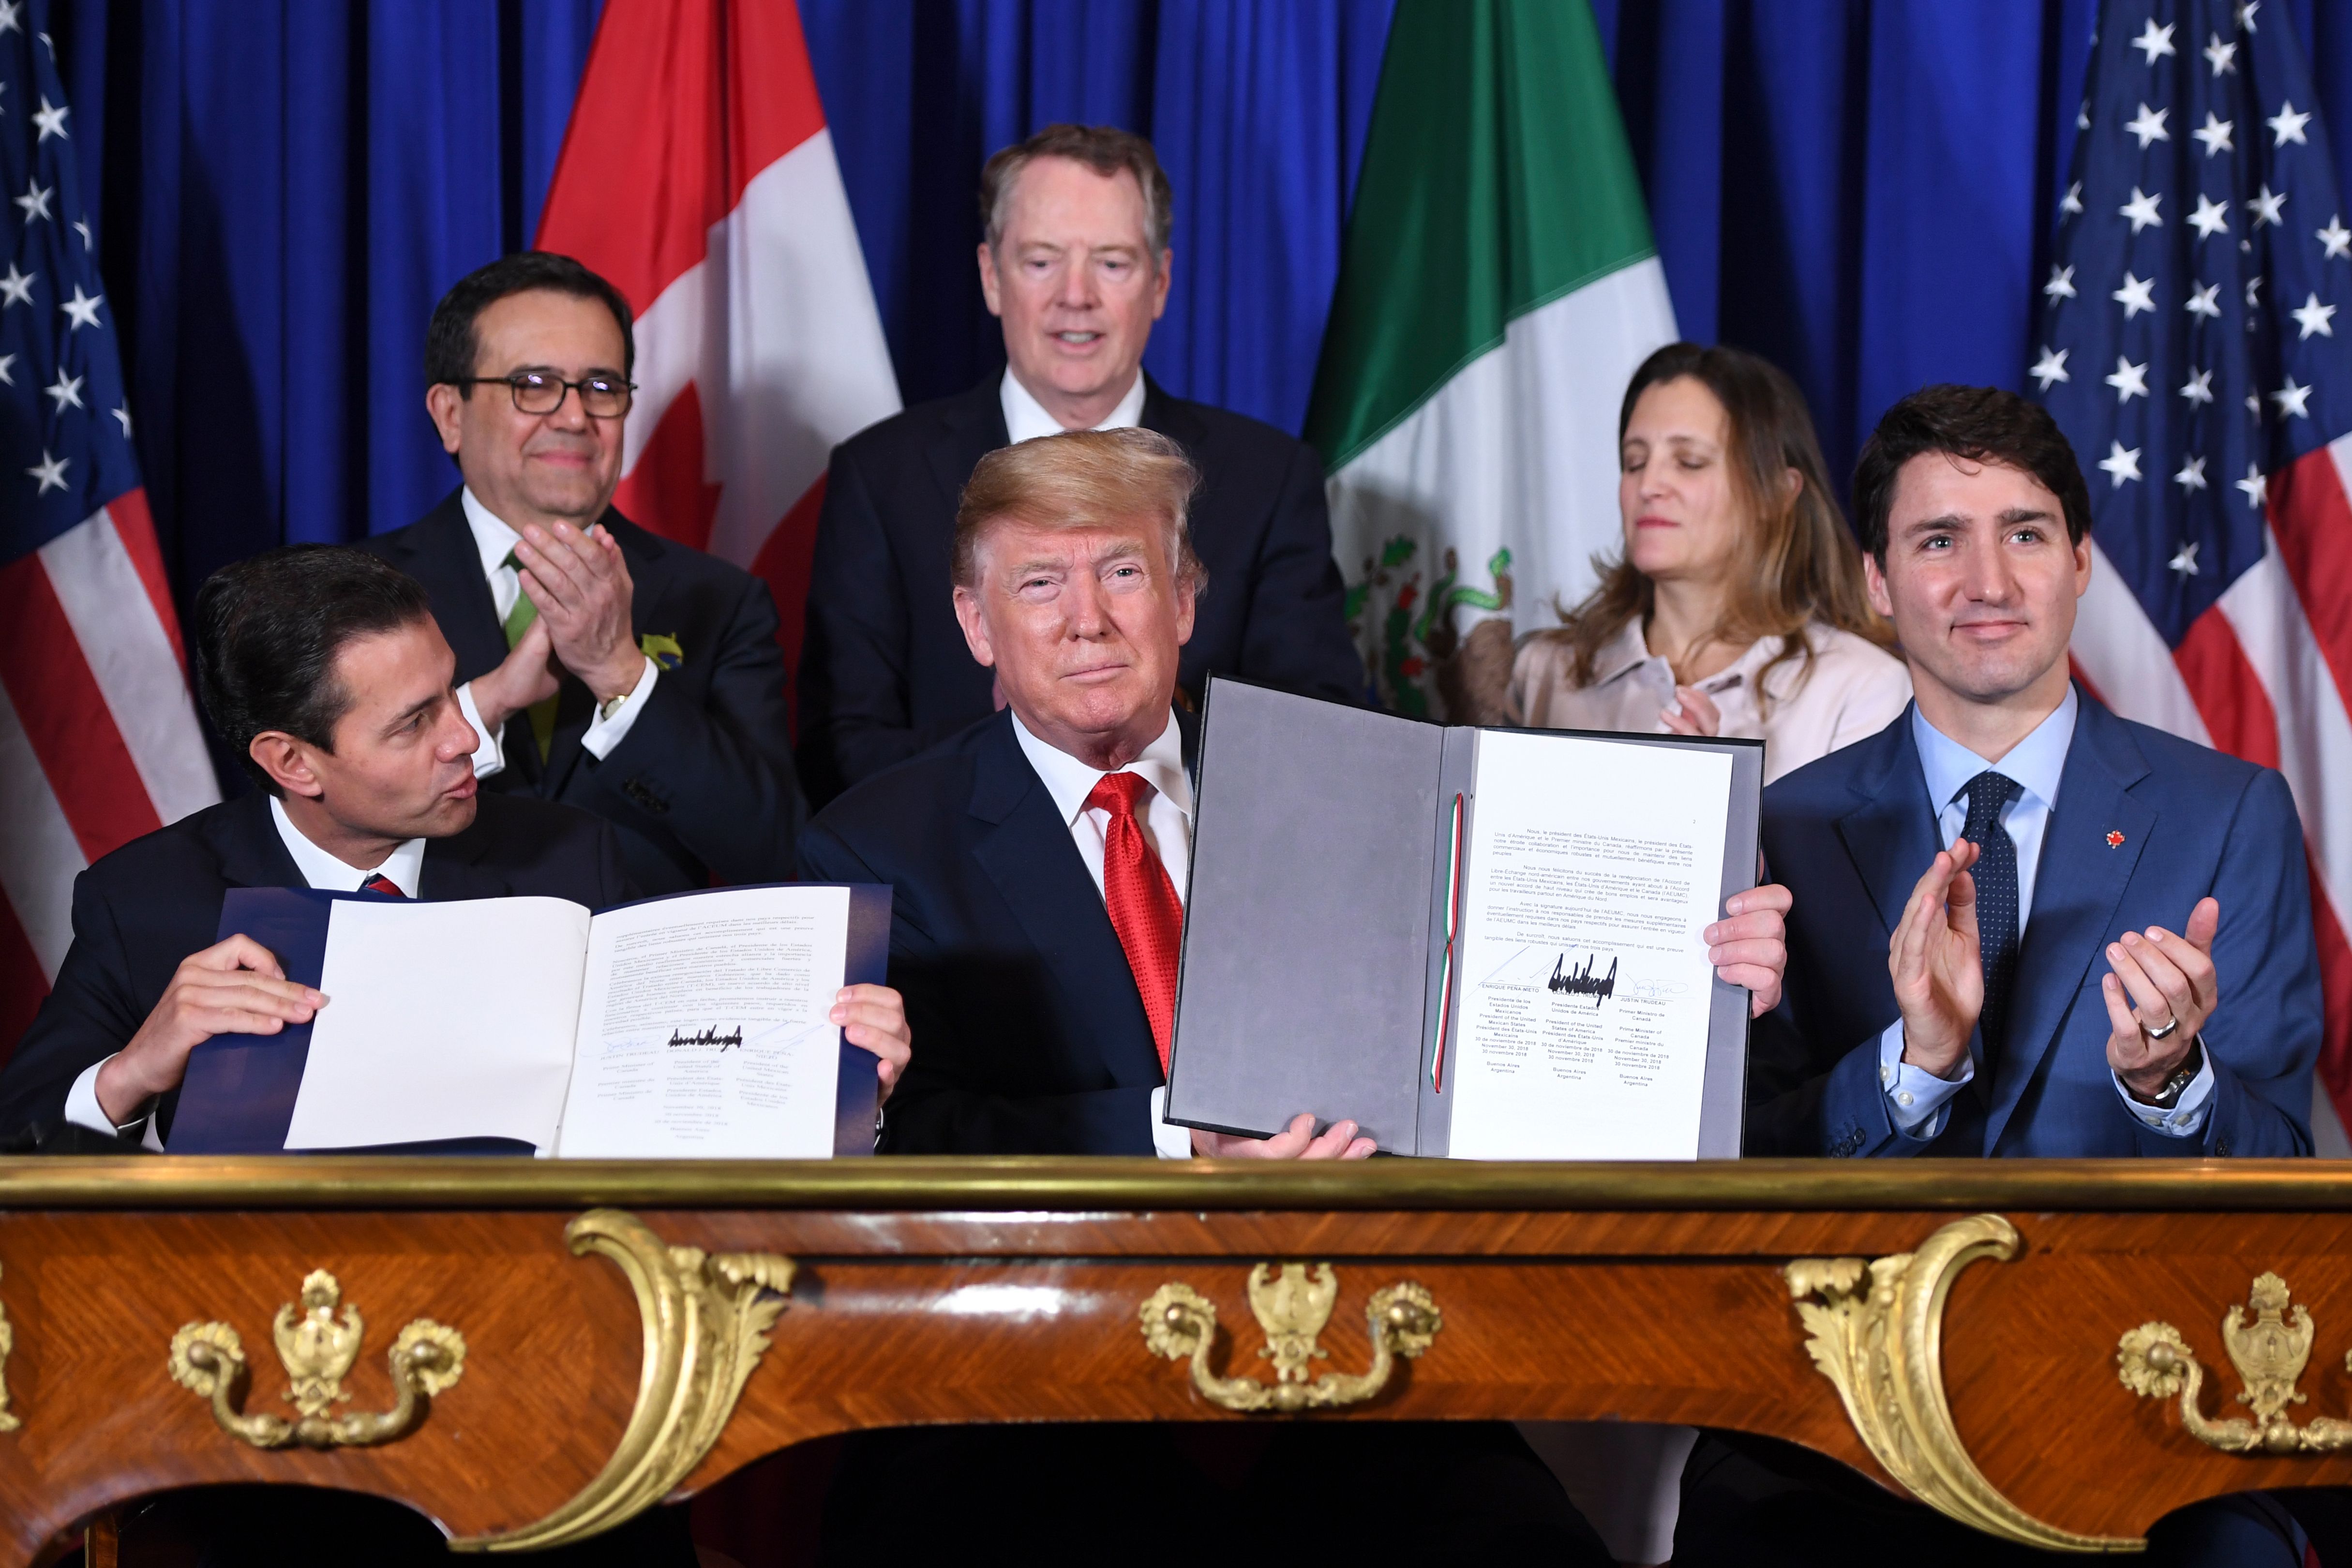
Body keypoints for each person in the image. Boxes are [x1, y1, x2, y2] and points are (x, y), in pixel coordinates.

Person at [800, 425, 1791, 1567]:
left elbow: (1494, 1028)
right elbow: (909, 1138)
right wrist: (1183, 1142)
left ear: (1184, 598)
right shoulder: (878, 842)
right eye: (1039, 583)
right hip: (1038, 1393)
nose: (1088, 619)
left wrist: (1694, 982)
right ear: (976, 623)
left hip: (1354, 1371)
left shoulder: (1358, 787)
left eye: (1123, 573)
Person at [1674, 386, 2318, 1568]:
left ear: (2078, 561)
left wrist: (2172, 1083)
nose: (1988, 580)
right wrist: (1912, 1070)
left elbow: (2285, 1177)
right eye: (1937, 541)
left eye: (2024, 533)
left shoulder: (2229, 816)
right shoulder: (1778, 829)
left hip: (2142, 1412)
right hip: (1844, 1437)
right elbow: (1741, 1176)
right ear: (1874, 582)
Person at [0, 547, 912, 1156]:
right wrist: (132, 1073)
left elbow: (681, 1115)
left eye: (450, 693)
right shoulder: (144, 900)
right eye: (414, 724)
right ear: (291, 763)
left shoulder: (573, 863)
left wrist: (841, 1089)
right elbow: (23, 1139)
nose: (468, 739)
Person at [796, 122, 1365, 806]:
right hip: (956, 894)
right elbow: (840, 753)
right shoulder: (880, 477)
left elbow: (1322, 734)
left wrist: (1140, 724)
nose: (1076, 295)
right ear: (991, 277)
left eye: (1112, 263)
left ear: (1158, 282)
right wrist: (1028, 740)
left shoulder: (1267, 479)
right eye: (1041, 261)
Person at [361, 252, 805, 896]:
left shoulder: (718, 599)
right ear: (449, 414)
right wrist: (487, 706)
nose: (574, 417)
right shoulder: (354, 590)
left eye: (602, 387)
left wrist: (620, 674)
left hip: (640, 982)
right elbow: (305, 811)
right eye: (533, 385)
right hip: (425, 969)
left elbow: (769, 846)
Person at [1498, 342, 1910, 785]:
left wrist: (1713, 807)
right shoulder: (1545, 672)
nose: (1649, 485)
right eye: (1634, 462)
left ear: (1776, 493)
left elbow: (1859, 857)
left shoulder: (1862, 689)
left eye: (1688, 462)